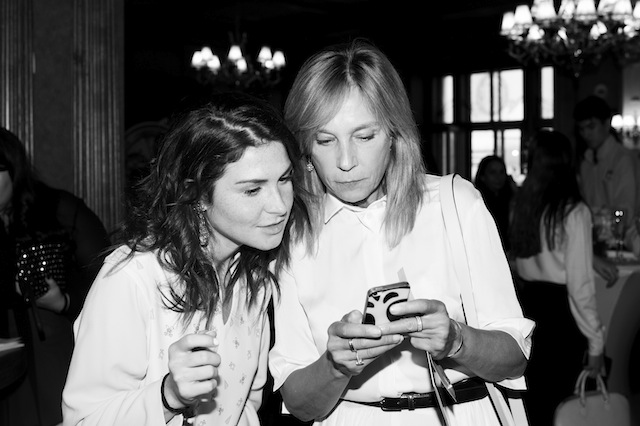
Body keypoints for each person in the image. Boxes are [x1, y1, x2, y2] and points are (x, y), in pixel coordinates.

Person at [268, 39, 534, 426]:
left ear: (394, 133)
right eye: (325, 140)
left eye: (364, 136)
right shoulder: (294, 235)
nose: (345, 162)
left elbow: (515, 358)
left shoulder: (455, 204)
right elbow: (300, 403)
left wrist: (457, 340)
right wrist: (335, 366)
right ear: (304, 150)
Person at [61, 92, 310, 425]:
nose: (279, 205)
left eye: (284, 179)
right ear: (198, 194)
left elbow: (245, 407)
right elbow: (83, 420)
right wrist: (169, 396)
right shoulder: (132, 278)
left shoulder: (253, 279)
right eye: (252, 190)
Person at [0, 127, 111, 425]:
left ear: (13, 168)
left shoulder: (59, 208)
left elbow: (108, 282)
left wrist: (63, 302)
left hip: (52, 346)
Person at [510, 129, 605, 426]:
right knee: (563, 407)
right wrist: (597, 342)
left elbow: (517, 263)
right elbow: (580, 287)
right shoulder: (573, 212)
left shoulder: (523, 205)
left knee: (533, 407)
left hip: (526, 311)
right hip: (560, 319)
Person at [473, 155, 517, 252]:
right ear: (483, 176)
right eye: (493, 172)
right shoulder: (477, 201)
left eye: (502, 172)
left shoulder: (510, 199)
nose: (498, 177)